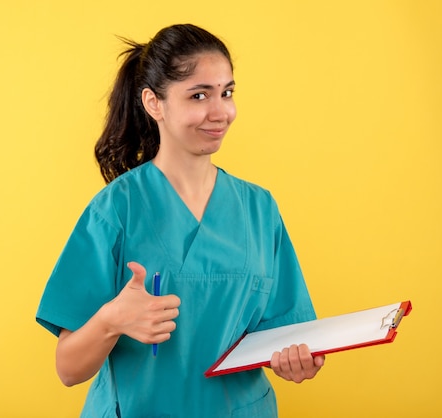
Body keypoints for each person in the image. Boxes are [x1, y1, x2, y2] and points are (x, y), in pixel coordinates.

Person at [36, 23, 324, 418]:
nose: (220, 111)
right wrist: (112, 319)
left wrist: (297, 360)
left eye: (227, 92)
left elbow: (289, 334)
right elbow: (68, 369)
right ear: (155, 103)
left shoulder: (260, 208)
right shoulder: (117, 209)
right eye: (199, 95)